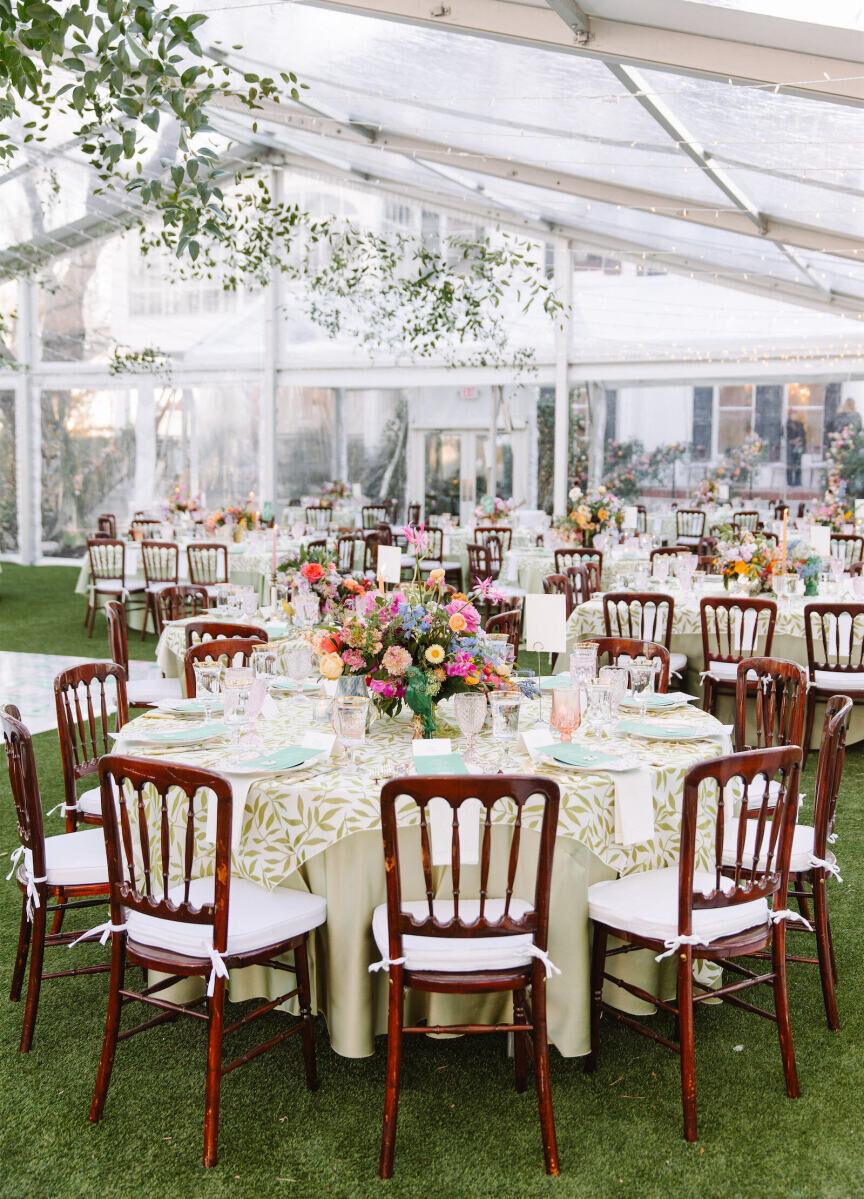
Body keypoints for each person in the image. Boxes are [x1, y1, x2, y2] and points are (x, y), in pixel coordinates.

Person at [786, 413, 805, 487]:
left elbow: (803, 434)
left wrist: (798, 439)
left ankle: (797, 481)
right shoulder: (787, 425)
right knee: (790, 464)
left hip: (798, 446)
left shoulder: (799, 425)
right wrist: (791, 441)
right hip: (790, 447)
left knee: (798, 463)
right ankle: (790, 481)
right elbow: (784, 435)